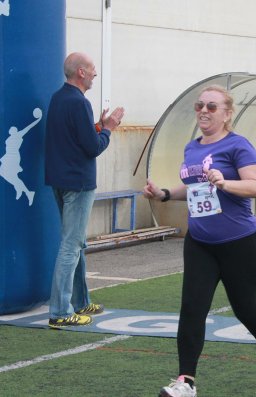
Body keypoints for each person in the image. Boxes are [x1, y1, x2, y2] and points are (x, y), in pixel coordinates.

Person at [143, 85, 256, 397]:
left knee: (245, 308)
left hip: (240, 242)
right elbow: (193, 188)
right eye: (199, 106)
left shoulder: (238, 146)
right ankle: (186, 382)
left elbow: (255, 187)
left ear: (227, 113)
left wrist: (225, 181)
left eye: (211, 106)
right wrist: (164, 193)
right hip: (200, 242)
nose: (203, 111)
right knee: (192, 308)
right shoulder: (192, 148)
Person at [45, 52, 125, 328]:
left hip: (59, 179)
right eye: (92, 70)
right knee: (71, 245)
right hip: (78, 182)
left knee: (76, 243)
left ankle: (79, 301)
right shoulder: (79, 103)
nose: (95, 74)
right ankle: (59, 311)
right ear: (80, 72)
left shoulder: (59, 98)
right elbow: (92, 147)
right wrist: (109, 129)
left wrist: (99, 127)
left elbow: (75, 138)